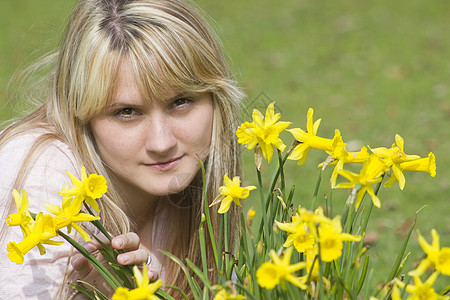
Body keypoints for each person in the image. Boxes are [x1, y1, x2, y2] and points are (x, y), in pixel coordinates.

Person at [0, 0, 244, 298]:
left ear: (217, 99)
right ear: (81, 115)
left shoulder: (204, 197)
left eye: (181, 102)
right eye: (127, 112)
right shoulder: (38, 170)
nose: (162, 143)